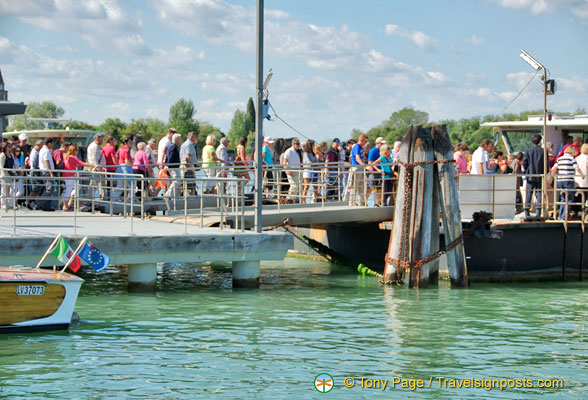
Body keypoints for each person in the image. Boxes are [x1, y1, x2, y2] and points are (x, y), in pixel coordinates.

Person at [551, 145, 582, 220]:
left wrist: (554, 175)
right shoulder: (572, 158)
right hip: (568, 180)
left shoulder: (560, 159)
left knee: (563, 199)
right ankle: (565, 216)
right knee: (569, 199)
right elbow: (577, 168)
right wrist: (582, 175)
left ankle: (561, 216)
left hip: (560, 180)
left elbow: (554, 169)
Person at [62, 144, 91, 211]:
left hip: (68, 176)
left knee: (77, 187)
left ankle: (69, 203)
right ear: (74, 151)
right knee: (68, 190)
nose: (77, 152)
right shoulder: (72, 157)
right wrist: (93, 165)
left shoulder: (66, 157)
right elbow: (81, 163)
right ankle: (65, 206)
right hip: (69, 176)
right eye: (76, 150)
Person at [523, 134, 545, 217]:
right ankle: (538, 210)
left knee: (529, 193)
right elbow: (545, 164)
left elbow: (525, 163)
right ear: (540, 141)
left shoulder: (528, 151)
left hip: (530, 174)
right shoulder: (543, 151)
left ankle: (527, 210)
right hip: (540, 174)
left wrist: (526, 170)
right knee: (539, 192)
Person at [349, 134, 368, 206]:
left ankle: (361, 203)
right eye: (365, 141)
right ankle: (352, 203)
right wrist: (365, 166)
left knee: (362, 187)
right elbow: (357, 158)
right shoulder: (356, 146)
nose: (365, 143)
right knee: (354, 187)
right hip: (356, 168)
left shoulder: (360, 147)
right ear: (361, 140)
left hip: (361, 168)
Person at [38, 138, 56, 211]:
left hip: (45, 171)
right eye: (52, 143)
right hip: (46, 172)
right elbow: (47, 162)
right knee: (49, 189)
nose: (52, 145)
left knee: (47, 188)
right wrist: (51, 173)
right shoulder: (46, 151)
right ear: (49, 143)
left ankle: (47, 206)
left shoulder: (43, 150)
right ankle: (38, 203)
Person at [368, 137, 386, 206]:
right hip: (374, 173)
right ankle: (370, 202)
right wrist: (375, 170)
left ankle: (378, 202)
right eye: (381, 144)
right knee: (372, 188)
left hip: (379, 173)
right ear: (377, 143)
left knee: (378, 188)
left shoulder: (381, 151)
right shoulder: (373, 150)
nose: (382, 145)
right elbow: (370, 162)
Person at [180, 131, 199, 195]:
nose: (197, 138)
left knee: (184, 180)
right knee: (191, 180)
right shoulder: (189, 144)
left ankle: (185, 194)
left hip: (183, 164)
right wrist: (189, 165)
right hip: (188, 165)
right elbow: (187, 156)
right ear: (191, 137)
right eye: (196, 137)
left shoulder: (184, 144)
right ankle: (191, 195)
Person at [164, 133, 182, 199]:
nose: (180, 140)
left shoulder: (171, 146)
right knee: (177, 180)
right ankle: (169, 194)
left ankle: (173, 195)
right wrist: (168, 165)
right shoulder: (173, 146)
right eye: (179, 138)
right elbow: (170, 156)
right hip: (173, 167)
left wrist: (166, 164)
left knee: (176, 180)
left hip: (173, 166)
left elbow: (167, 156)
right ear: (175, 139)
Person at [0, 143, 14, 210]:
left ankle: (10, 204)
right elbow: (1, 166)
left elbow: (12, 165)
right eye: (9, 146)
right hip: (4, 174)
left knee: (13, 188)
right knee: (4, 189)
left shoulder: (11, 155)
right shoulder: (2, 155)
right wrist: (3, 176)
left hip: (10, 173)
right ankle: (3, 205)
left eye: (11, 146)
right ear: (5, 147)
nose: (10, 148)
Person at [575, 143, 588, 213]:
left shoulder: (577, 158)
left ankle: (577, 211)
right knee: (585, 197)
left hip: (577, 181)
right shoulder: (587, 158)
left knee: (578, 197)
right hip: (586, 181)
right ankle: (584, 211)